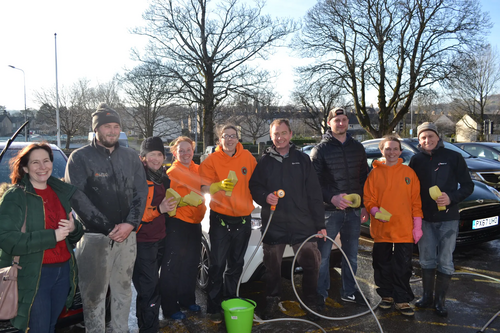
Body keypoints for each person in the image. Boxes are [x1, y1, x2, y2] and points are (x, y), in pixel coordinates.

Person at [65, 103, 148, 332]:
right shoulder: (79, 158)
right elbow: (77, 197)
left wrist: (131, 223)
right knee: (94, 297)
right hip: (94, 238)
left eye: (116, 126)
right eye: (107, 126)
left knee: (123, 292)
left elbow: (141, 192)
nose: (112, 131)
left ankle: (121, 330)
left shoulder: (130, 157)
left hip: (127, 237)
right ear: (96, 130)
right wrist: (110, 227)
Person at [0, 143, 83, 333]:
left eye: (46, 161)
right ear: (25, 168)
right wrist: (51, 236)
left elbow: (74, 236)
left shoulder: (60, 192)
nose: (42, 167)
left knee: (50, 326)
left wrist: (74, 228)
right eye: (35, 162)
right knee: (38, 329)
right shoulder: (16, 196)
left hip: (63, 273)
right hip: (34, 274)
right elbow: (6, 239)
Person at [249, 119, 326, 320]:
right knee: (272, 268)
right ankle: (272, 301)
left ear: (290, 134)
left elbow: (315, 194)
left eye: (284, 133)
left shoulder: (302, 160)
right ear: (271, 136)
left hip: (303, 224)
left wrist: (320, 225)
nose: (280, 137)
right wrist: (265, 196)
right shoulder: (264, 162)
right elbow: (254, 186)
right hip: (274, 224)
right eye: (276, 134)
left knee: (311, 264)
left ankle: (311, 303)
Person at [409, 122, 474, 317]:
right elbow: (410, 190)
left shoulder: (454, 157)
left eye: (431, 136)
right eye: (423, 137)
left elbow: (468, 186)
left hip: (448, 219)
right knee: (426, 260)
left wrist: (451, 197)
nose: (427, 140)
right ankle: (427, 297)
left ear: (438, 137)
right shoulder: (416, 160)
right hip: (425, 219)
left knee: (445, 261)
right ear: (419, 140)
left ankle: (440, 301)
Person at [310, 107, 369, 306]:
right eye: (337, 120)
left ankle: (349, 292)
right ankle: (320, 295)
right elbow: (313, 183)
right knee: (323, 257)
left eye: (344, 120)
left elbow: (364, 178)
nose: (341, 123)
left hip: (353, 213)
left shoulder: (357, 148)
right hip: (330, 212)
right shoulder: (320, 150)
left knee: (351, 256)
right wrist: (332, 197)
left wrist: (364, 205)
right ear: (329, 123)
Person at [199, 124, 257, 324]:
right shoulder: (212, 160)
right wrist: (217, 186)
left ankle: (231, 299)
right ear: (220, 139)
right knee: (217, 264)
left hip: (243, 219)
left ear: (238, 138)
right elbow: (203, 186)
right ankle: (214, 306)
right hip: (221, 220)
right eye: (226, 136)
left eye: (233, 136)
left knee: (236, 264)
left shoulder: (248, 158)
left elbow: (258, 181)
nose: (230, 139)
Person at [363, 135, 423, 316]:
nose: (391, 152)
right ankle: (386, 295)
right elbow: (369, 198)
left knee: (403, 265)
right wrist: (374, 212)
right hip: (382, 229)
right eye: (387, 149)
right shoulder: (374, 173)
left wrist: (417, 225)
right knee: (381, 263)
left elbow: (416, 201)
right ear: (381, 151)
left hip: (404, 228)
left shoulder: (409, 173)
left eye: (395, 149)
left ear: (400, 152)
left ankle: (402, 299)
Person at [160, 136, 207, 320]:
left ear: (193, 151)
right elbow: (167, 200)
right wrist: (181, 202)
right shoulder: (171, 173)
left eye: (189, 150)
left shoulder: (198, 169)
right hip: (177, 223)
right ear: (174, 153)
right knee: (173, 266)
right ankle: (170, 307)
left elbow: (207, 188)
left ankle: (187, 299)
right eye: (182, 151)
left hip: (195, 223)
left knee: (190, 263)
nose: (186, 153)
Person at [133, 137, 177, 332]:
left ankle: (147, 325)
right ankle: (150, 328)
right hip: (141, 241)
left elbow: (165, 207)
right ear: (143, 157)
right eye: (152, 154)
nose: (157, 158)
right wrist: (159, 209)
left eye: (160, 154)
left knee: (148, 289)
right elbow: (135, 214)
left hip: (160, 238)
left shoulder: (163, 177)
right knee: (149, 289)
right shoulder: (138, 179)